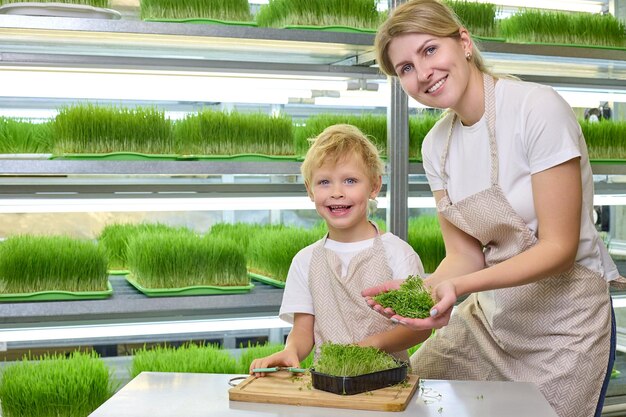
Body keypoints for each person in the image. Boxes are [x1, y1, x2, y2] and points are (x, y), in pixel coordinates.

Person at [361, 1, 618, 417]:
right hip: (490, 321)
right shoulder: (436, 147)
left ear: (463, 42)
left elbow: (559, 248)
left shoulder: (536, 109)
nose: (422, 73)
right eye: (405, 68)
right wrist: (424, 291)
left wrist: (459, 289)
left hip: (565, 325)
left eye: (429, 50)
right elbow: (464, 257)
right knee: (411, 404)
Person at [249, 124, 428, 376]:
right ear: (309, 190)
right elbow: (303, 330)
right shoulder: (305, 260)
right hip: (327, 384)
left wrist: (371, 346)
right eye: (324, 182)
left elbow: (419, 327)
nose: (337, 193)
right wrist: (292, 351)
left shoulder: (397, 253)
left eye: (350, 181)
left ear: (374, 186)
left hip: (390, 385)